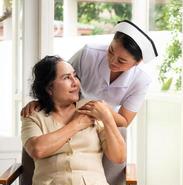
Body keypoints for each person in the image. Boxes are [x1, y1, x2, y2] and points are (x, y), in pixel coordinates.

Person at [21, 56, 126, 185]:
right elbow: (37, 149)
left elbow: (119, 157)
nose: (75, 82)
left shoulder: (93, 109)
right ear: (49, 88)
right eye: (66, 78)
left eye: (75, 76)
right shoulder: (33, 115)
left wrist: (107, 118)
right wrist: (77, 125)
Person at [21, 20, 158, 127]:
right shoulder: (88, 54)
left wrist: (102, 110)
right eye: (110, 51)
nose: (112, 61)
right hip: (67, 117)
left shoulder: (141, 80)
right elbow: (58, 81)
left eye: (121, 61)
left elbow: (124, 121)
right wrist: (41, 101)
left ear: (137, 62)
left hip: (104, 125)